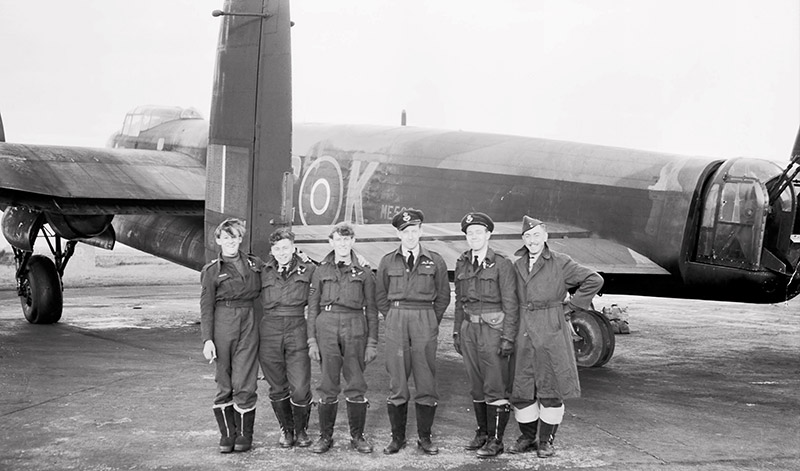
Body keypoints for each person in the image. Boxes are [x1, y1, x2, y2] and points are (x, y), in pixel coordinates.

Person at [508, 216, 603, 458]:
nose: (532, 240)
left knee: (550, 386)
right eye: (527, 236)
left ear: (545, 236)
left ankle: (546, 441)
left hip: (551, 329)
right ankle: (527, 437)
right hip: (524, 329)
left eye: (536, 235)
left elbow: (594, 279)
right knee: (523, 386)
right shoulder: (517, 264)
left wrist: (571, 308)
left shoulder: (561, 262)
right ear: (522, 239)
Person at [376, 209, 450, 455]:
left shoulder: (435, 260)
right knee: (397, 380)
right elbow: (380, 296)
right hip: (396, 317)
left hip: (424, 318)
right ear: (398, 233)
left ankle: (425, 438)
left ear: (421, 231)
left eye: (414, 231)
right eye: (405, 232)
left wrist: (429, 320)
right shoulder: (387, 261)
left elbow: (443, 297)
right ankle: (397, 438)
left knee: (425, 378)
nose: (410, 236)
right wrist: (394, 317)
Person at [306, 222, 379, 454]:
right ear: (331, 242)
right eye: (338, 239)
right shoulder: (320, 270)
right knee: (328, 382)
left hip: (355, 324)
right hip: (326, 325)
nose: (343, 244)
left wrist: (372, 342)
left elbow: (372, 310)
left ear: (353, 242)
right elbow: (312, 307)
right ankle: (325, 436)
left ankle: (358, 436)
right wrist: (312, 340)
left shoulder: (365, 272)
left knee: (356, 382)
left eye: (347, 240)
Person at [453, 212, 518, 458]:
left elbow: (511, 304)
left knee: (495, 384)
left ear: (488, 234)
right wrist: (458, 331)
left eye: (478, 232)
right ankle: (482, 433)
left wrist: (508, 337)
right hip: (470, 328)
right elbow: (460, 300)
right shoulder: (462, 262)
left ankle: (496, 439)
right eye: (469, 233)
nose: (474, 237)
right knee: (476, 385)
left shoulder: (502, 263)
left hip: (493, 329)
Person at [200, 218, 263, 453]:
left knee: (245, 379)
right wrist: (207, 339)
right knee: (224, 379)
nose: (231, 242)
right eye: (226, 238)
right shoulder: (211, 271)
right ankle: (227, 435)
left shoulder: (255, 264)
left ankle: (245, 435)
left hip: (248, 320)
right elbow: (206, 306)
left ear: (240, 239)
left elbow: (276, 275)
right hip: (222, 322)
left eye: (235, 237)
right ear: (218, 240)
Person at [257, 227, 316, 449]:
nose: (282, 252)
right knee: (277, 386)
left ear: (293, 247)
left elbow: (326, 283)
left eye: (285, 248)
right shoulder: (262, 271)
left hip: (297, 328)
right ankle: (287, 430)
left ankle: (301, 431)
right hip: (270, 330)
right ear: (272, 250)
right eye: (277, 248)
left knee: (300, 386)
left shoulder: (309, 269)